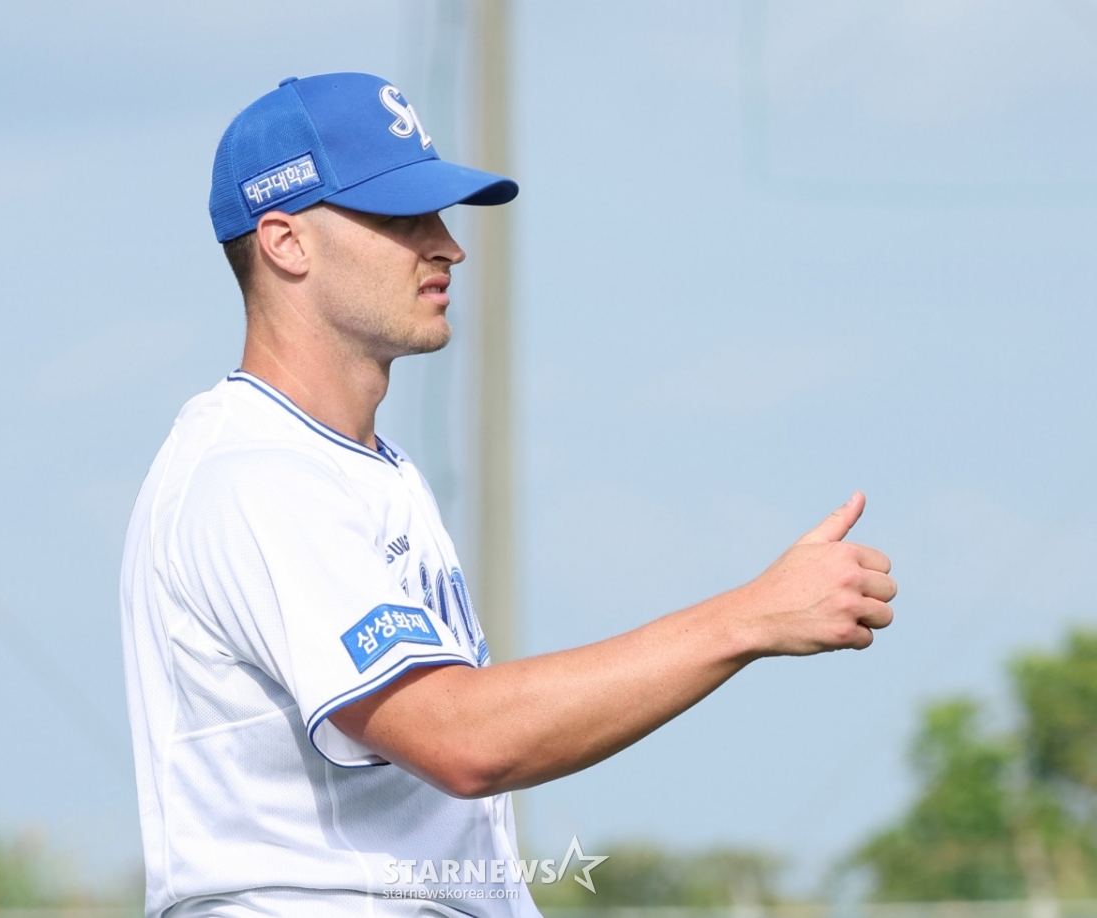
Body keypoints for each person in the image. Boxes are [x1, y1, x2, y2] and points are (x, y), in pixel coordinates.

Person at [120, 73, 896, 918]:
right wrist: (750, 617)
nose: (447, 246)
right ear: (285, 241)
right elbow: (461, 739)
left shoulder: (356, 465)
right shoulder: (257, 475)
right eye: (400, 216)